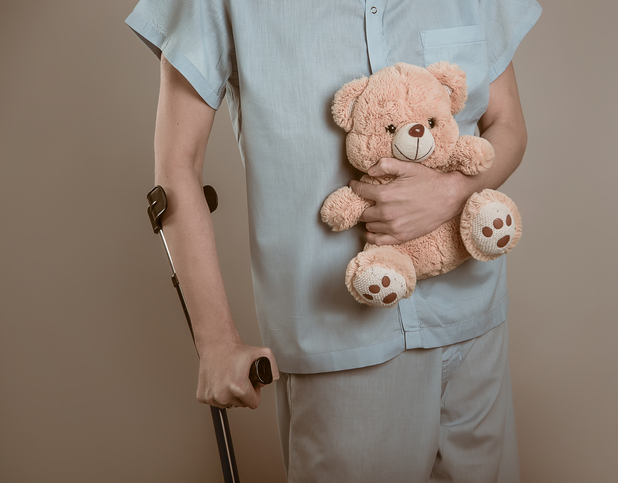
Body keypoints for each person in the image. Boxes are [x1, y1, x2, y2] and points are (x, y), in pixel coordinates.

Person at [126, 1, 541, 481]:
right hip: (339, 339)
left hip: (474, 324)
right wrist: (216, 341)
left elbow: (507, 125)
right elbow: (177, 165)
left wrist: (451, 192)